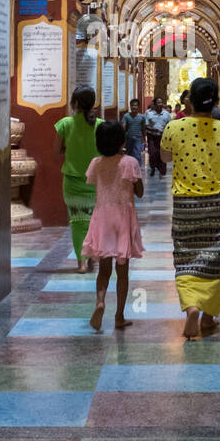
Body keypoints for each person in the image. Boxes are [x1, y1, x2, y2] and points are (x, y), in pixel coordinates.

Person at [160, 77, 220, 340]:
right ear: (216, 102)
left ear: (190, 101)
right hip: (219, 204)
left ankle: (191, 307)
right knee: (215, 261)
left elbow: (165, 157)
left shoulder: (175, 127)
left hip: (186, 204)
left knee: (185, 257)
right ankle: (207, 318)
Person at [81, 120, 145, 331]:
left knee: (104, 269)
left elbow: (94, 183)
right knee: (123, 271)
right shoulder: (129, 162)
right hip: (123, 218)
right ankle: (119, 316)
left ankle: (100, 302)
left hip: (102, 217)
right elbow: (140, 192)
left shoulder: (95, 163)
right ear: (121, 140)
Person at [56, 86, 102, 274]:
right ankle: (92, 258)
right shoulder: (100, 124)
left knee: (77, 222)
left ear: (74, 103)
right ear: (93, 103)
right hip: (96, 182)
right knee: (94, 221)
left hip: (72, 181)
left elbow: (55, 151)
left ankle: (81, 263)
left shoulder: (65, 124)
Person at [142, 98, 172, 177]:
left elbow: (170, 125)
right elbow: (145, 125)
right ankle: (153, 167)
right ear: (154, 105)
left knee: (161, 153)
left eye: (161, 102)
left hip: (162, 136)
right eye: (158, 103)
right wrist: (144, 136)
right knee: (152, 153)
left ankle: (162, 171)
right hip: (152, 136)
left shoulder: (166, 114)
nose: (160, 104)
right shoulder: (149, 114)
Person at [121, 99, 146, 164]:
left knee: (137, 155)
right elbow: (123, 128)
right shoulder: (126, 116)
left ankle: (137, 170)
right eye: (132, 105)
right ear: (130, 106)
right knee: (128, 155)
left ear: (138, 107)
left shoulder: (142, 117)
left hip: (138, 138)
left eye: (135, 105)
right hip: (128, 138)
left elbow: (143, 129)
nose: (134, 107)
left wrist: (144, 140)